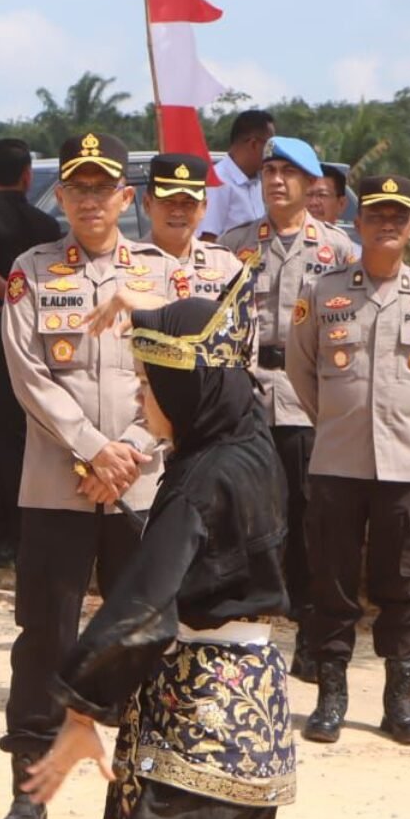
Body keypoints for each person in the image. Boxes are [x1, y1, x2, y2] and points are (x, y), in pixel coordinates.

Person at [24, 275, 362, 819]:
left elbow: (141, 603)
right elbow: (213, 337)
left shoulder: (205, 479)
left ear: (182, 388)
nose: (140, 397)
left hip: (205, 710)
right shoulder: (247, 441)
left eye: (146, 383)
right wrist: (140, 312)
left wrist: (81, 709)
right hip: (244, 704)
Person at [0, 132, 157, 819]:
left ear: (127, 196)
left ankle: (137, 797)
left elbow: (180, 378)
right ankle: (30, 793)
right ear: (58, 196)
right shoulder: (30, 273)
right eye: (78, 189)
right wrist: (94, 451)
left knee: (138, 641)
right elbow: (29, 376)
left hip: (140, 486)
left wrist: (132, 452)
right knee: (45, 639)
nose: (91, 201)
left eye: (104, 188)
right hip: (58, 485)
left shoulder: (159, 277)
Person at [286, 175, 410, 745]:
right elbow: (301, 372)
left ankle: (399, 700)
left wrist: (393, 423)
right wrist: (339, 420)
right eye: (376, 214)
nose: (386, 223)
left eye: (397, 216)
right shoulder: (323, 292)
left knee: (404, 588)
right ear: (358, 222)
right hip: (337, 463)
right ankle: (330, 696)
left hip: (405, 470)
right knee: (331, 584)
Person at [219, 137, 356, 681]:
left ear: (309, 184)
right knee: (249, 519)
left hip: (305, 401)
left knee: (306, 522)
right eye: (269, 170)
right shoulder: (234, 244)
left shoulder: (339, 251)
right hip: (249, 399)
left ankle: (308, 631)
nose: (276, 180)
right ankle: (251, 629)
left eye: (288, 173)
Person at [0, 138, 62, 569]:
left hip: (2, 334)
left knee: (6, 434)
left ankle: (11, 533)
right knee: (22, 431)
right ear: (26, 176)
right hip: (42, 338)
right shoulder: (46, 224)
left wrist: (15, 303)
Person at [126, 153, 245, 300]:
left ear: (204, 208)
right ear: (147, 204)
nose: (177, 212)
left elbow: (244, 320)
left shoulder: (226, 265)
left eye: (189, 203)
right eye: (168, 201)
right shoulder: (124, 266)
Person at [198, 109, 276, 241]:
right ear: (254, 144)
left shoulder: (257, 181)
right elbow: (207, 240)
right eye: (270, 146)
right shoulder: (217, 181)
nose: (272, 153)